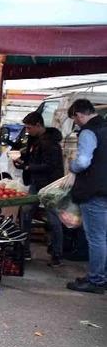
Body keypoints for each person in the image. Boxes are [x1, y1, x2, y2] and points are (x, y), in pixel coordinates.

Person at [65, 99, 107, 294]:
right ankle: (102, 275)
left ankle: (96, 280)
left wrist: (72, 166)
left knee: (96, 238)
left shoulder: (89, 132)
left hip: (94, 190)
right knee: (104, 236)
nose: (76, 123)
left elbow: (83, 162)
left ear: (79, 115)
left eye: (75, 119)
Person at [15, 112, 64, 266]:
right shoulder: (34, 140)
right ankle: (24, 250)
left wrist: (29, 166)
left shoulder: (51, 143)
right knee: (26, 213)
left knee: (53, 218)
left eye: (29, 128)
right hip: (36, 182)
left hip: (50, 185)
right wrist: (23, 161)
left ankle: (57, 254)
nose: (27, 131)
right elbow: (31, 158)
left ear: (38, 125)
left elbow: (51, 166)